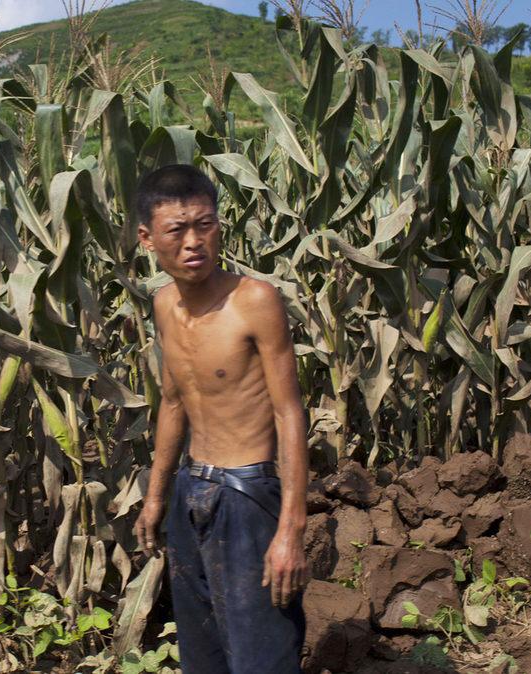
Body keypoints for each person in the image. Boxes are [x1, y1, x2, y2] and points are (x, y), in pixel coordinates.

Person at [131, 164, 309, 673]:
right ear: (147, 238)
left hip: (247, 496)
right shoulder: (164, 304)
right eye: (177, 231)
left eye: (205, 225)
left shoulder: (253, 301)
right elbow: (172, 402)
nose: (194, 243)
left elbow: (289, 412)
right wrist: (157, 496)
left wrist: (291, 529)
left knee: (262, 656)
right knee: (203, 655)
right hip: (192, 491)